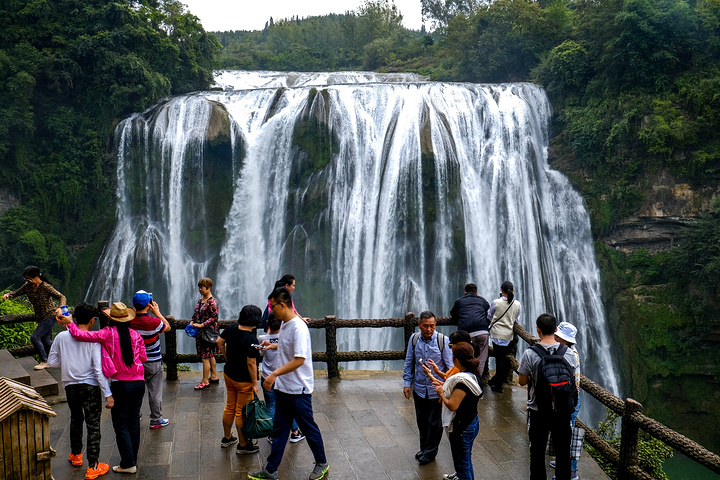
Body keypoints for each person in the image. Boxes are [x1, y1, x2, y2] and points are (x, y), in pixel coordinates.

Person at [249, 287, 328, 480]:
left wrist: (274, 374)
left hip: (298, 389)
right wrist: (272, 345)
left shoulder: (299, 327)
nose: (270, 310)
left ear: (282, 304)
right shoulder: (285, 324)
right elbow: (287, 345)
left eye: (272, 306)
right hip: (284, 388)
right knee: (280, 429)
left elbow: (299, 358)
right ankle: (271, 469)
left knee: (308, 428)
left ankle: (322, 463)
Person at [63, 302, 147, 474]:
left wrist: (69, 323)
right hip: (139, 383)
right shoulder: (136, 335)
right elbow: (143, 358)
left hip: (121, 384)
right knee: (133, 422)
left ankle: (128, 463)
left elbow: (81, 335)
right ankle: (132, 459)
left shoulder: (108, 333)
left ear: (111, 319)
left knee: (121, 424)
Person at [48, 302, 113, 480]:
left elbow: (52, 362)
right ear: (92, 321)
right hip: (90, 387)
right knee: (93, 426)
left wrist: (69, 363)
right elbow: (99, 371)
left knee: (76, 419)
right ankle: (93, 466)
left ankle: (76, 455)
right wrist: (108, 393)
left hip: (70, 386)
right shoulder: (93, 339)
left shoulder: (61, 337)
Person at [518, 314, 578, 480]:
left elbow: (521, 381)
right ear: (556, 329)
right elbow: (571, 379)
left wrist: (532, 375)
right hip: (562, 408)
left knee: (537, 452)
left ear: (538, 330)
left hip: (538, 410)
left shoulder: (530, 353)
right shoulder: (569, 353)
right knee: (563, 452)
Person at [402, 311, 453, 465]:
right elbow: (409, 362)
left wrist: (445, 390)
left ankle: (430, 452)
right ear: (419, 325)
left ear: (435, 325)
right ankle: (424, 448)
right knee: (422, 421)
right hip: (419, 389)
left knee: (435, 423)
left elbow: (449, 368)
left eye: (431, 326)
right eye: (425, 326)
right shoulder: (414, 339)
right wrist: (406, 384)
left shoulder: (442, 340)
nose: (429, 329)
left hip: (436, 390)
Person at [260, 273, 305, 443]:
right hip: (285, 379)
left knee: (274, 405)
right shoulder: (290, 329)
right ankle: (293, 433)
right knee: (287, 407)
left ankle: (275, 434)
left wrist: (269, 346)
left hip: (272, 375)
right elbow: (296, 356)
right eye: (293, 285)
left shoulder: (291, 329)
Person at [433, 342, 483, 480]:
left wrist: (441, 393)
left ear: (455, 360)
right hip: (472, 421)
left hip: (462, 426)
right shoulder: (474, 375)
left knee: (462, 466)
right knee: (466, 461)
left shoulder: (462, 381)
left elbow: (452, 405)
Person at [217, 305, 262, 454]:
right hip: (244, 380)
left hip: (229, 374)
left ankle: (227, 437)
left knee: (230, 406)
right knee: (242, 412)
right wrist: (255, 383)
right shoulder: (251, 339)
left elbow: (219, 342)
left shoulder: (232, 327)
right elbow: (251, 363)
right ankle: (243, 445)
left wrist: (227, 357)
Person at [2, 265, 66, 370]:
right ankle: (64, 354)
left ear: (36, 276)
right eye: (26, 279)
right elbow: (17, 292)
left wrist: (60, 308)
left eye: (29, 279)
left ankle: (45, 361)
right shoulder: (27, 286)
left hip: (49, 316)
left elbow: (61, 296)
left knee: (35, 337)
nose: (28, 281)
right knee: (47, 342)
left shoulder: (45, 286)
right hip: (40, 318)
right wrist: (8, 295)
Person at [257, 311, 302, 444]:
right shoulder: (286, 339)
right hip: (283, 376)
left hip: (267, 376)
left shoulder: (262, 339)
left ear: (267, 323)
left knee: (271, 405)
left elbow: (261, 353)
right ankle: (295, 432)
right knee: (289, 406)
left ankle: (272, 434)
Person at [129, 290, 171, 429]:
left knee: (135, 391)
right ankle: (156, 419)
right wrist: (157, 313)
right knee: (155, 392)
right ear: (149, 304)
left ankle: (136, 415)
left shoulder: (130, 322)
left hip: (135, 363)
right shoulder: (154, 322)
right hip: (153, 362)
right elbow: (168, 327)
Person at [550, 322, 581, 480]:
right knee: (564, 434)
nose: (555, 338)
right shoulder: (568, 351)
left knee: (569, 436)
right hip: (568, 398)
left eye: (558, 337)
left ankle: (571, 472)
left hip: (569, 400)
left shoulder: (569, 355)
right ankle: (562, 462)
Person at [450, 284, 491, 378]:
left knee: (466, 356)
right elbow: (489, 313)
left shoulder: (459, 301)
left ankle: (467, 379)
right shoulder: (482, 300)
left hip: (466, 334)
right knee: (481, 358)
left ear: (465, 292)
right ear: (476, 293)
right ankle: (478, 379)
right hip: (482, 331)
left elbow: (453, 314)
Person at [488, 280, 522, 393]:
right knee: (502, 358)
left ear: (502, 291)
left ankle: (499, 385)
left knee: (499, 359)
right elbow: (516, 320)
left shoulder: (496, 302)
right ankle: (496, 380)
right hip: (508, 336)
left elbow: (490, 315)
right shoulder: (517, 304)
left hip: (496, 334)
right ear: (513, 291)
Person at [190, 277, 220, 390]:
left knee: (205, 357)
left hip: (208, 333)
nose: (200, 290)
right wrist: (192, 321)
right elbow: (196, 313)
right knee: (210, 354)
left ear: (209, 288)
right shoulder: (201, 300)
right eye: (199, 287)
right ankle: (214, 376)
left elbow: (214, 318)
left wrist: (202, 325)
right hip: (201, 332)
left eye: (202, 288)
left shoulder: (213, 302)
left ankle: (205, 381)